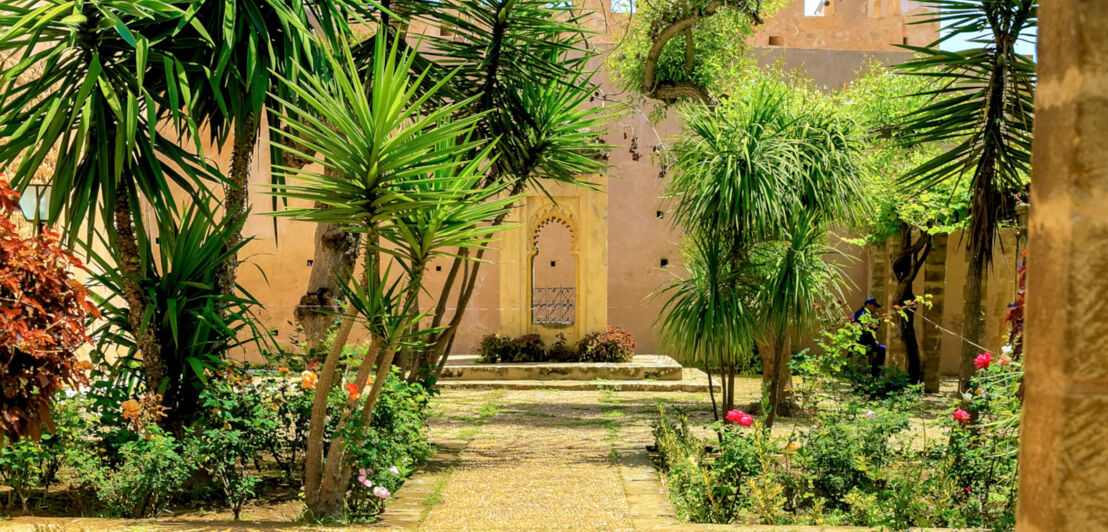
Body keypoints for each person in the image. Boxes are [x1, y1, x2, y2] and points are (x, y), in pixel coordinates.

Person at [852, 297, 886, 378]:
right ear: (868, 305)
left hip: (863, 341)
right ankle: (875, 373)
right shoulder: (862, 314)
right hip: (861, 343)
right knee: (883, 349)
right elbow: (865, 330)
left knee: (880, 348)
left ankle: (874, 372)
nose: (875, 309)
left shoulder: (861, 313)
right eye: (874, 306)